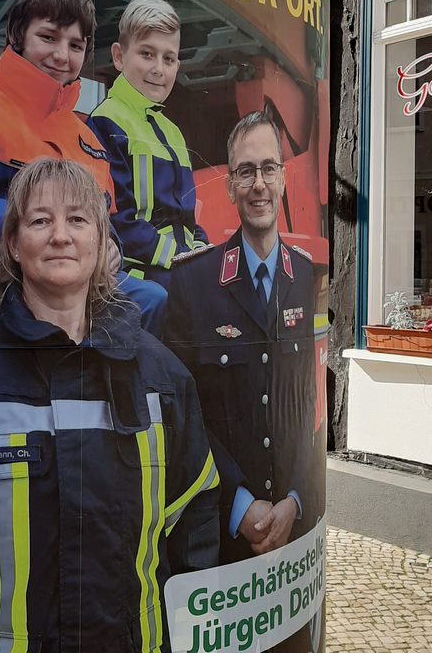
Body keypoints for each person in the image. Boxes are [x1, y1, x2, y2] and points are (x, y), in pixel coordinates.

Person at [0, 158, 220, 652]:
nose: (61, 236)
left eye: (78, 220)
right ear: (13, 243)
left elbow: (194, 537)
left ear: (103, 243)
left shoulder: (162, 377)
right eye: (41, 220)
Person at [0, 0, 166, 330]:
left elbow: (107, 222)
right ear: (18, 35)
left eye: (75, 45)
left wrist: (110, 243)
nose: (61, 55)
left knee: (151, 298)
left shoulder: (89, 139)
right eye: (48, 37)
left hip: (80, 278)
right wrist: (26, 222)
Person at [163, 111, 320, 565]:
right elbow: (183, 413)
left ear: (283, 178)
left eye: (268, 168)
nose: (258, 184)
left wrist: (295, 499)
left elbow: (305, 402)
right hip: (220, 533)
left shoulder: (304, 275)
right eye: (245, 171)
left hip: (292, 529)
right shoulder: (192, 282)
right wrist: (239, 503)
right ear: (230, 185)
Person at [87, 0, 207, 289]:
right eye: (147, 54)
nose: (158, 69)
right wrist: (182, 259)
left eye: (168, 58)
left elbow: (186, 219)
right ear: (118, 56)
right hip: (138, 273)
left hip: (178, 267)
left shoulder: (174, 132)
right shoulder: (106, 121)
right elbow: (118, 221)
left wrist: (204, 249)